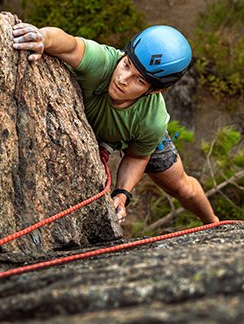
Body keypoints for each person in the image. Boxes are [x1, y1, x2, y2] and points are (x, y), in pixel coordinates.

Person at [12, 23, 219, 226]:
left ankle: (214, 224)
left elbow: (138, 156)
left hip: (134, 132)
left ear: (154, 91)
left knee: (183, 189)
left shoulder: (151, 121)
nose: (122, 79)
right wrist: (43, 38)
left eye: (139, 80)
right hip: (99, 125)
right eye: (126, 64)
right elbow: (70, 45)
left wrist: (122, 194)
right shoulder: (102, 63)